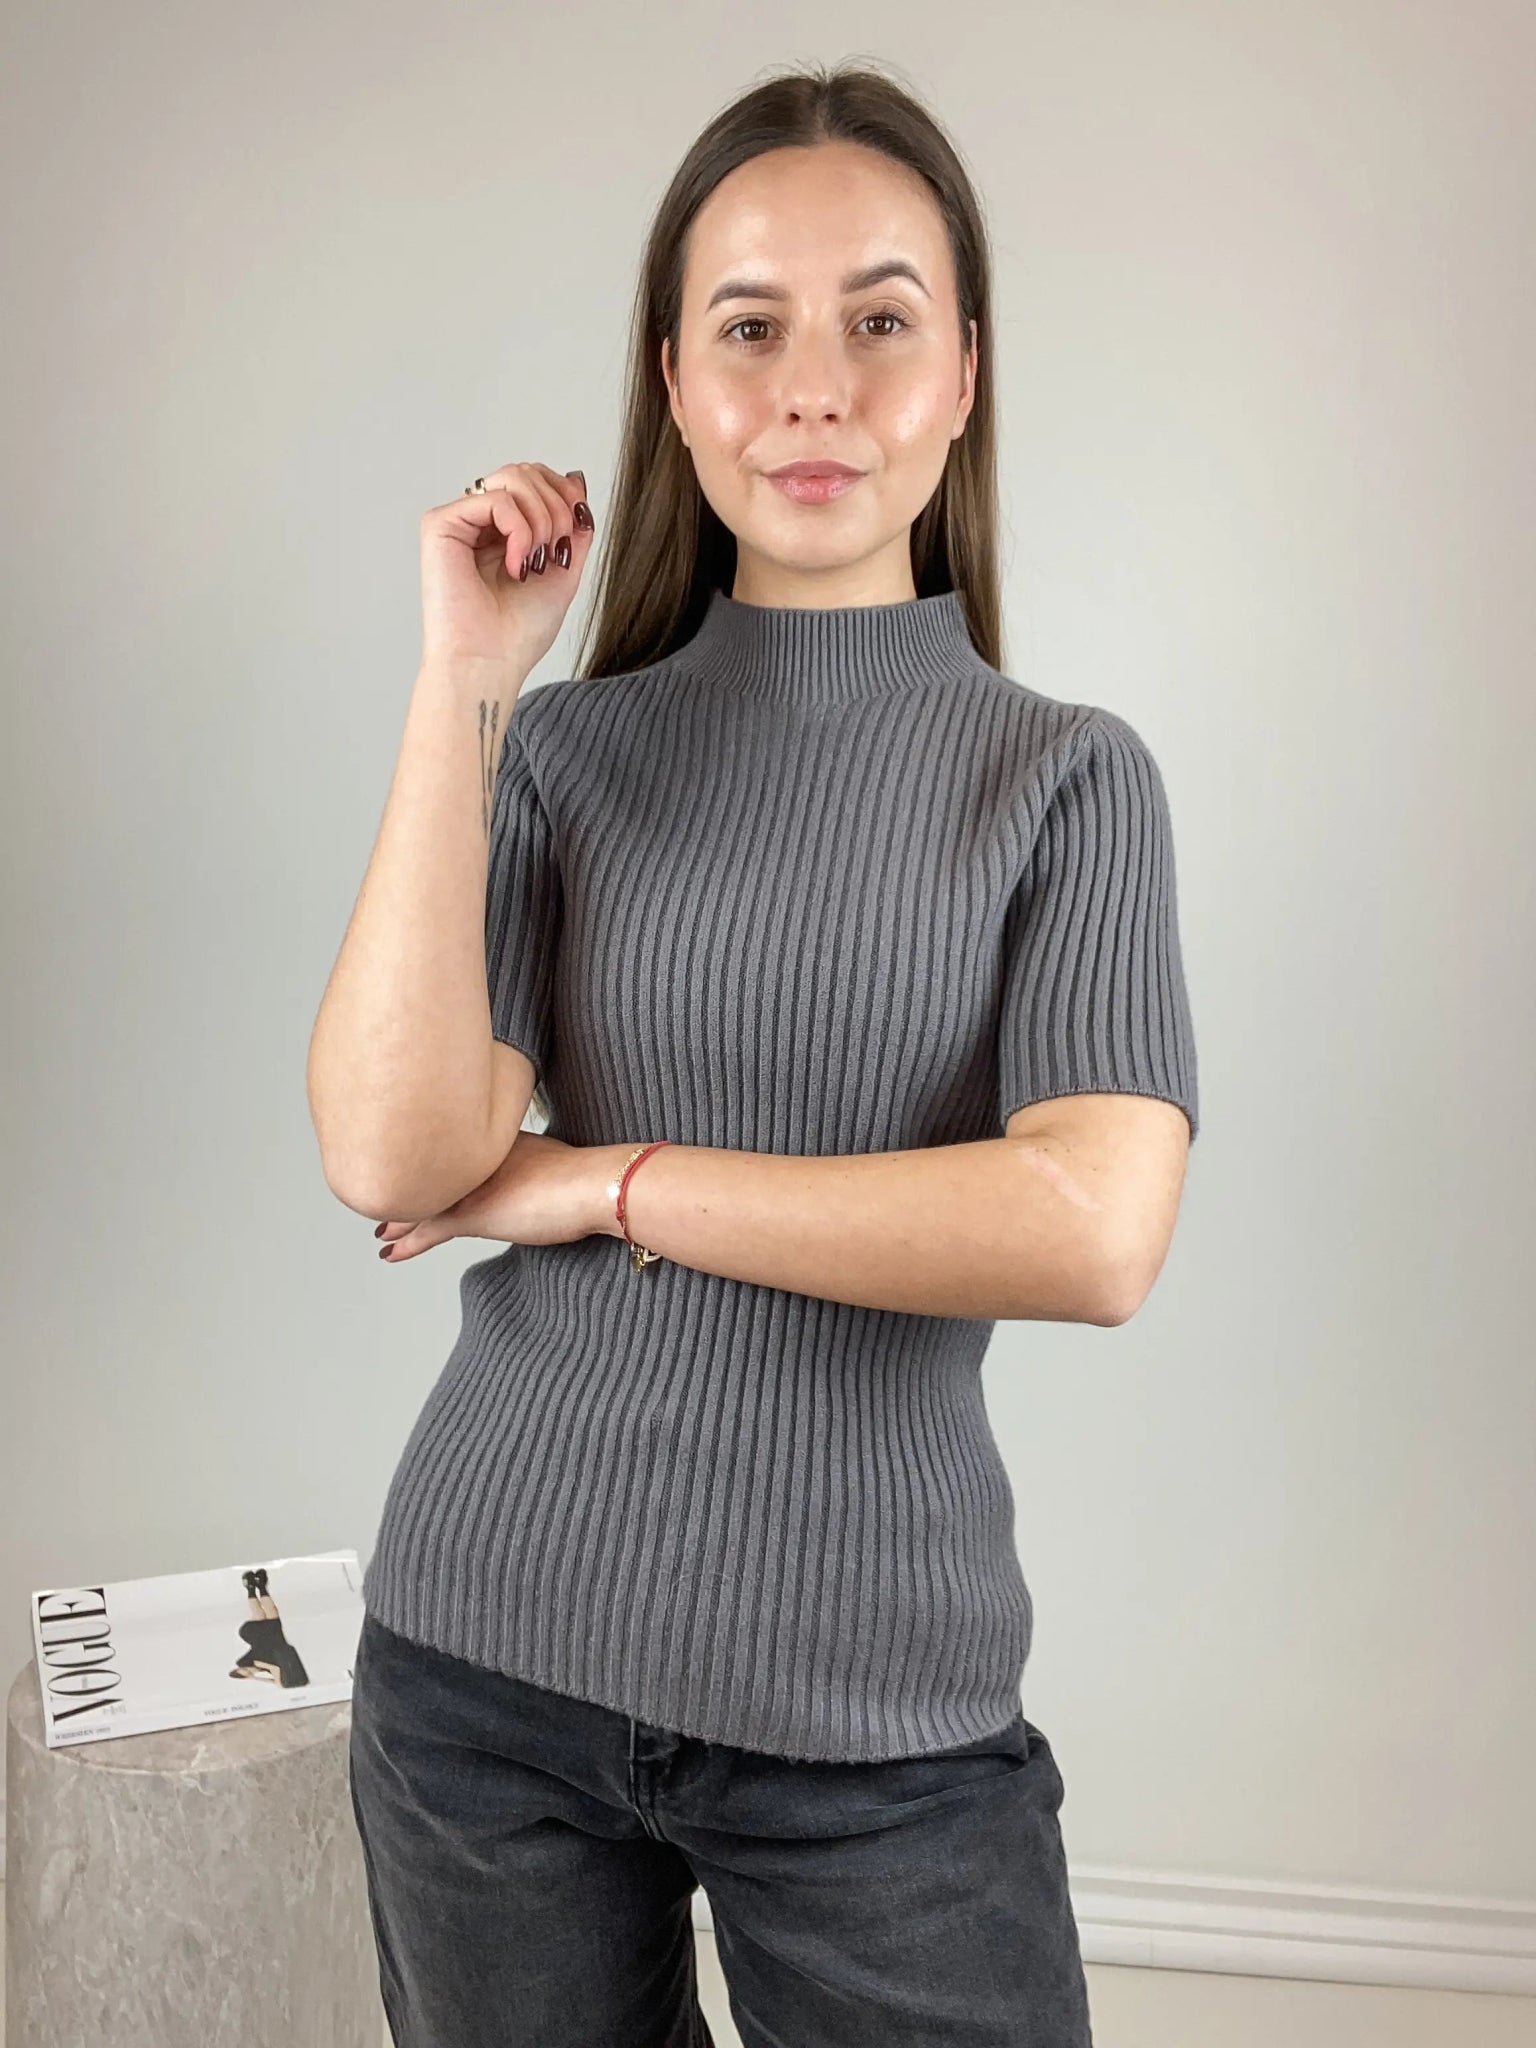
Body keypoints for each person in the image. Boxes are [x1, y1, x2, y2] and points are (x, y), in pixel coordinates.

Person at [308, 58, 1199, 2048]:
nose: (815, 390)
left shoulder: (1066, 783)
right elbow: (391, 1150)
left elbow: (1091, 1230)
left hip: (879, 1720)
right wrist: (467, 679)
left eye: (879, 321)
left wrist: (595, 1183)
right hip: (483, 1669)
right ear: (675, 381)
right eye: (751, 329)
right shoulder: (562, 750)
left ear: (963, 374)